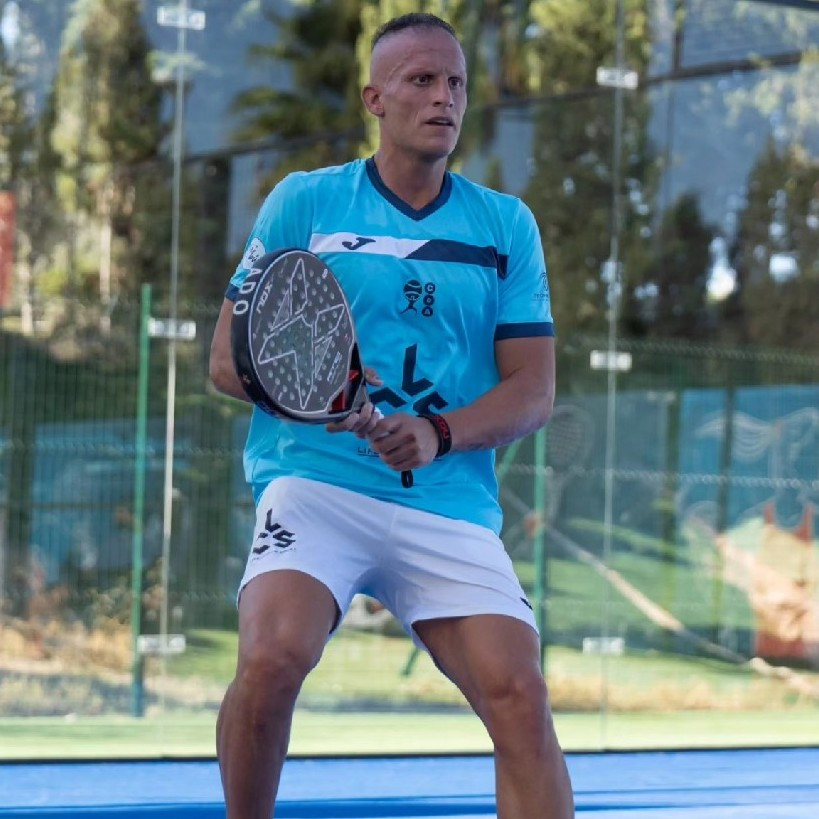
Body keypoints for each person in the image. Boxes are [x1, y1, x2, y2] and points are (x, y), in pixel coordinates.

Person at [209, 12, 574, 819]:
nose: (444, 97)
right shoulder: (305, 202)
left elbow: (533, 390)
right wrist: (323, 395)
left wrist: (437, 433)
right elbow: (226, 361)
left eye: (456, 83)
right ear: (375, 98)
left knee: (519, 695)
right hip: (316, 484)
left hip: (446, 499)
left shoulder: (505, 225)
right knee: (272, 656)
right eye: (421, 80)